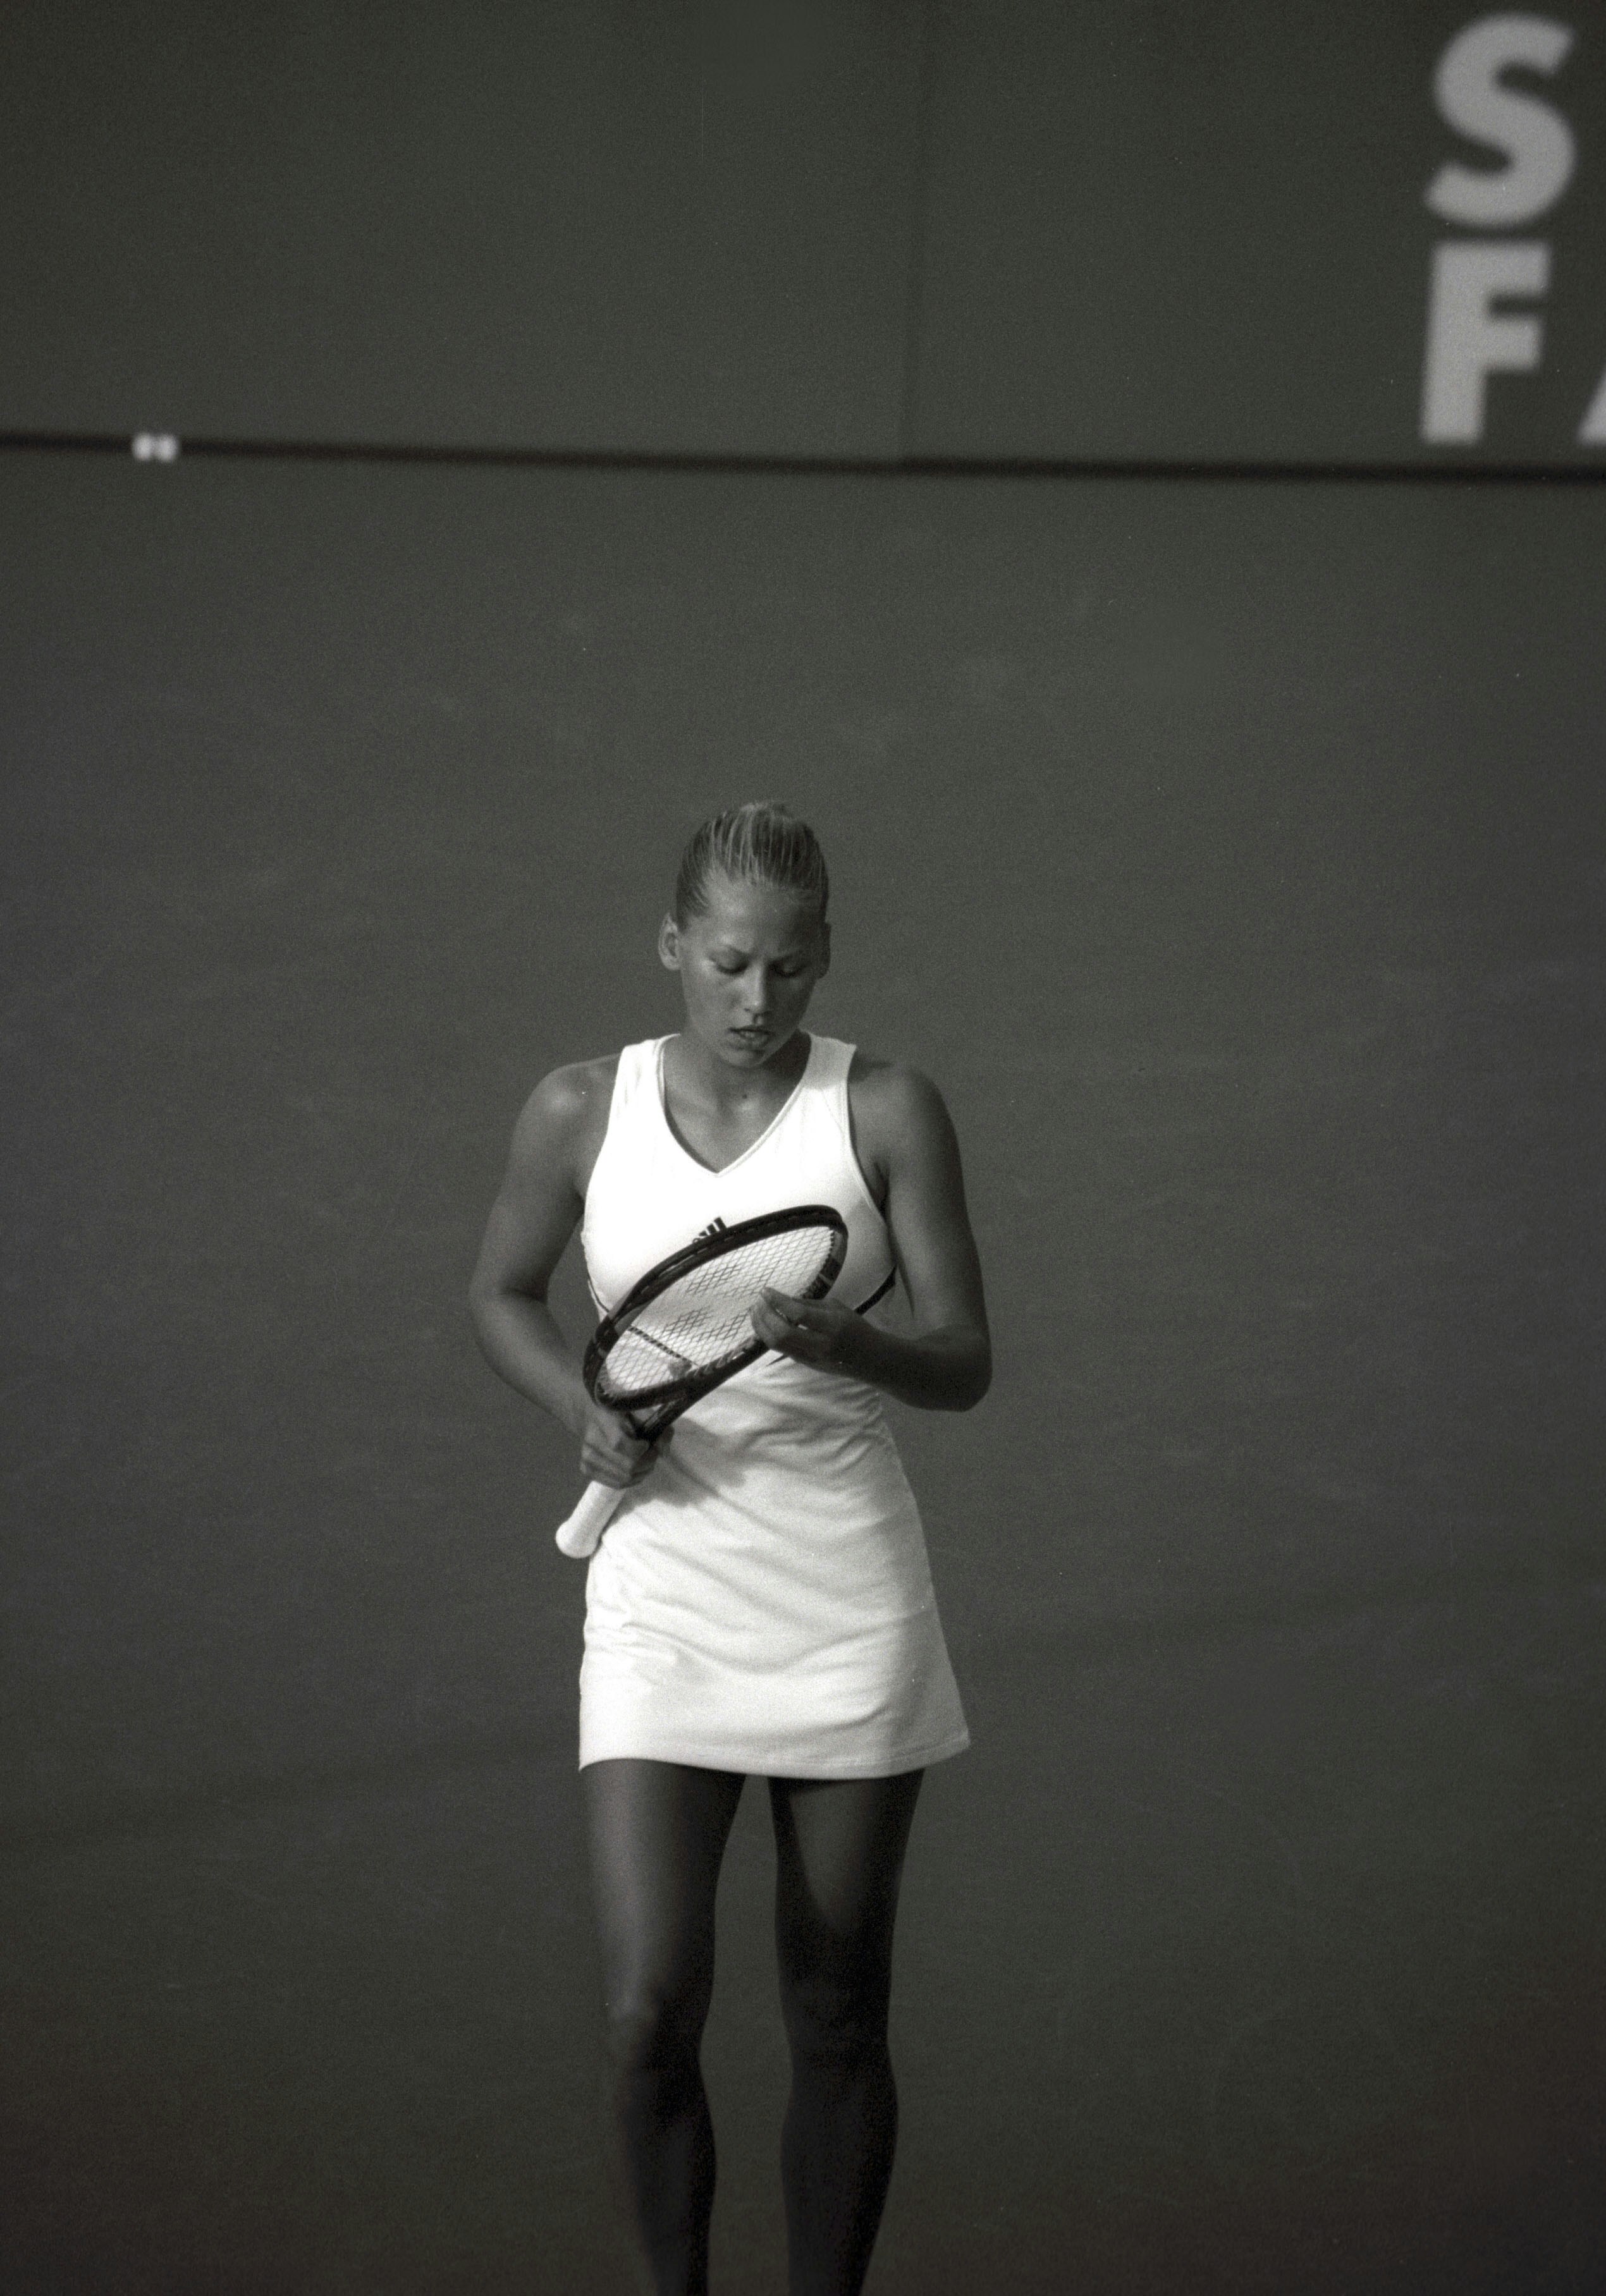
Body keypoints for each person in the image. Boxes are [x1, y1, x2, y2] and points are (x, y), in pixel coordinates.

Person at [469, 802, 989, 2295]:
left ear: (826, 962)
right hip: (660, 1595)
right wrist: (583, 1406)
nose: (760, 1002)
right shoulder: (578, 1108)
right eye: (731, 964)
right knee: (648, 2008)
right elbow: (501, 1293)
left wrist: (854, 1345)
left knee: (834, 2015)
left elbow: (962, 1360)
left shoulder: (888, 1110)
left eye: (794, 970)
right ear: (672, 947)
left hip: (846, 1601)